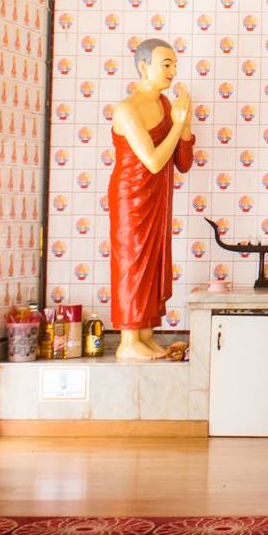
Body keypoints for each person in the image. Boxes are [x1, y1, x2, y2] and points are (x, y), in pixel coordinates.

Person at [108, 38, 194, 362]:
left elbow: (182, 162)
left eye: (174, 64)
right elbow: (154, 161)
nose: (172, 71)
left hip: (158, 194)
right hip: (131, 196)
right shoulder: (127, 109)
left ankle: (144, 334)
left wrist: (182, 122)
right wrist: (179, 123)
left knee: (153, 261)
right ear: (144, 66)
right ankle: (128, 339)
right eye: (166, 64)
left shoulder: (167, 106)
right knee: (132, 261)